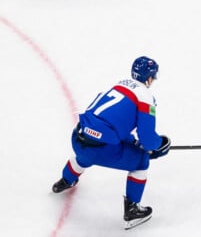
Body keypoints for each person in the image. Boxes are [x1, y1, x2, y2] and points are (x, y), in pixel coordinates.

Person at [52, 56, 171, 230]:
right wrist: (159, 145)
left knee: (84, 156)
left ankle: (65, 180)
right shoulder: (145, 96)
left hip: (78, 138)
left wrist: (132, 142)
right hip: (102, 149)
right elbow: (147, 139)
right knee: (141, 162)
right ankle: (132, 210)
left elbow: (110, 123)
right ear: (149, 77)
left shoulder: (118, 85)